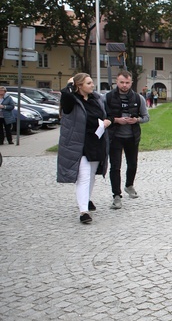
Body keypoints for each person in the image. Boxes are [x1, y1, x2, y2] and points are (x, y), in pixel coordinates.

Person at [57, 73, 112, 224]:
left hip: (96, 140)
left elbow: (107, 114)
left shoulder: (96, 99)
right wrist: (69, 84)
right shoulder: (72, 100)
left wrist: (107, 121)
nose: (92, 85)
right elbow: (65, 98)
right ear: (79, 86)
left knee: (92, 175)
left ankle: (86, 200)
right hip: (79, 143)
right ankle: (83, 212)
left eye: (92, 82)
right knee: (84, 176)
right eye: (88, 83)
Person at [104, 71, 150, 210]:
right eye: (122, 82)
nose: (124, 85)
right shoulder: (108, 97)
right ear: (116, 82)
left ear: (131, 83)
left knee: (132, 163)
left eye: (127, 83)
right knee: (115, 166)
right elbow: (103, 116)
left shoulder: (138, 98)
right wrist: (116, 120)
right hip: (115, 136)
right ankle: (116, 196)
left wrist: (136, 120)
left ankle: (129, 185)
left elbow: (146, 117)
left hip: (132, 136)